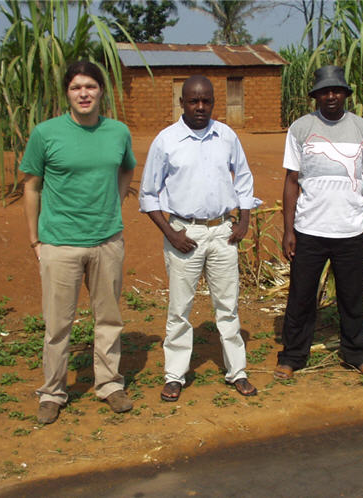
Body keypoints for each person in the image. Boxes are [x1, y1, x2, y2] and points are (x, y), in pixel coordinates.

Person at [20, 60, 136, 424]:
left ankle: (110, 384)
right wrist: (36, 240)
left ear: (102, 91)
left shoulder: (118, 132)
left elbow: (127, 168)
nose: (84, 93)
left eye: (90, 86)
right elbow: (32, 185)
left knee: (109, 318)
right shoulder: (46, 133)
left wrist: (113, 206)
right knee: (58, 324)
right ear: (67, 94)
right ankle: (53, 392)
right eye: (76, 88)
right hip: (60, 244)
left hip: (107, 241)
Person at [139, 75, 261, 402]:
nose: (200, 107)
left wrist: (243, 220)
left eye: (206, 101)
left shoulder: (227, 136)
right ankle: (175, 375)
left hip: (223, 232)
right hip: (184, 232)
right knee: (180, 308)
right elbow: (148, 194)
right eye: (193, 101)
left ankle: (238, 371)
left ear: (213, 103)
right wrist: (170, 233)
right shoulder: (166, 141)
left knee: (228, 306)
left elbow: (245, 180)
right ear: (182, 103)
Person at [274, 65, 363, 381]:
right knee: (301, 296)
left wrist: (345, 186)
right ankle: (293, 356)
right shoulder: (301, 129)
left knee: (352, 297)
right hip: (309, 230)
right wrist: (288, 230)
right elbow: (292, 180)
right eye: (324, 91)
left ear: (346, 94)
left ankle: (356, 354)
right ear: (316, 96)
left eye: (337, 90)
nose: (331, 96)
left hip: (349, 230)